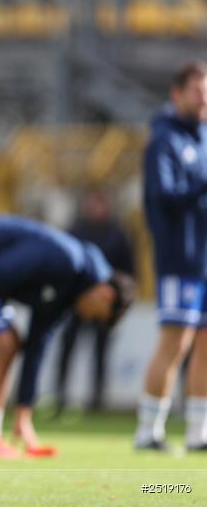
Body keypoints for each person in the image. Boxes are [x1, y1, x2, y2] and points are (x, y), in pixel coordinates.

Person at [0, 215, 134, 458]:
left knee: (10, 343)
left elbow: (36, 347)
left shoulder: (71, 289)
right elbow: (1, 272)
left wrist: (24, 415)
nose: (87, 319)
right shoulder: (66, 259)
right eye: (98, 316)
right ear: (106, 294)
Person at [134, 62, 207, 452]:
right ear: (176, 94)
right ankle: (148, 430)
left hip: (206, 259)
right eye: (197, 90)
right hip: (181, 258)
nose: (204, 97)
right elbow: (164, 196)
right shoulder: (164, 140)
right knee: (175, 343)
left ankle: (199, 432)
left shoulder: (204, 138)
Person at [54, 189, 135, 415]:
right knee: (67, 346)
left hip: (106, 303)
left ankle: (97, 398)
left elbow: (129, 271)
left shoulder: (117, 234)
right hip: (77, 302)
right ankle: (60, 395)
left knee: (101, 351)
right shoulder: (77, 229)